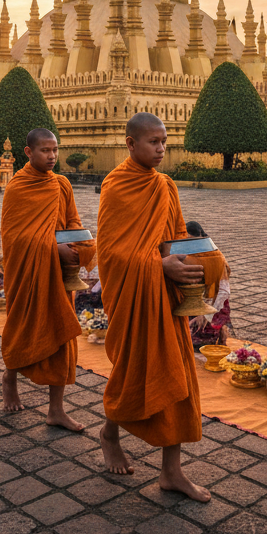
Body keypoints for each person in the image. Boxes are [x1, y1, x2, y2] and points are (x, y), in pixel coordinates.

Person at [96, 112, 214, 502]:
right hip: (133, 293)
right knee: (131, 370)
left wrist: (195, 259)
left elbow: (175, 236)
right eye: (153, 142)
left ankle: (171, 472)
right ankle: (109, 434)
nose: (161, 149)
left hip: (163, 294)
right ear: (131, 144)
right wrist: (157, 266)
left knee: (176, 374)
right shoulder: (115, 186)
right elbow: (109, 252)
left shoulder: (165, 185)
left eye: (165, 141)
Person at [0, 128, 95, 430]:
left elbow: (72, 221)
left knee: (60, 335)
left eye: (55, 150)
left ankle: (56, 409)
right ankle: (10, 377)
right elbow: (13, 236)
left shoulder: (61, 184)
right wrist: (52, 246)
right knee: (21, 327)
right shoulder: (18, 187)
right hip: (27, 272)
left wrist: (79, 243)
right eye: (45, 150)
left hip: (58, 273)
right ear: (28, 152)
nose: (52, 156)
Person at [185, 220, 233, 349]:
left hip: (212, 306)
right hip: (193, 304)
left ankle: (219, 330)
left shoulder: (215, 258)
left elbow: (223, 291)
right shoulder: (184, 255)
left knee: (200, 344)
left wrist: (206, 315)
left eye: (193, 241)